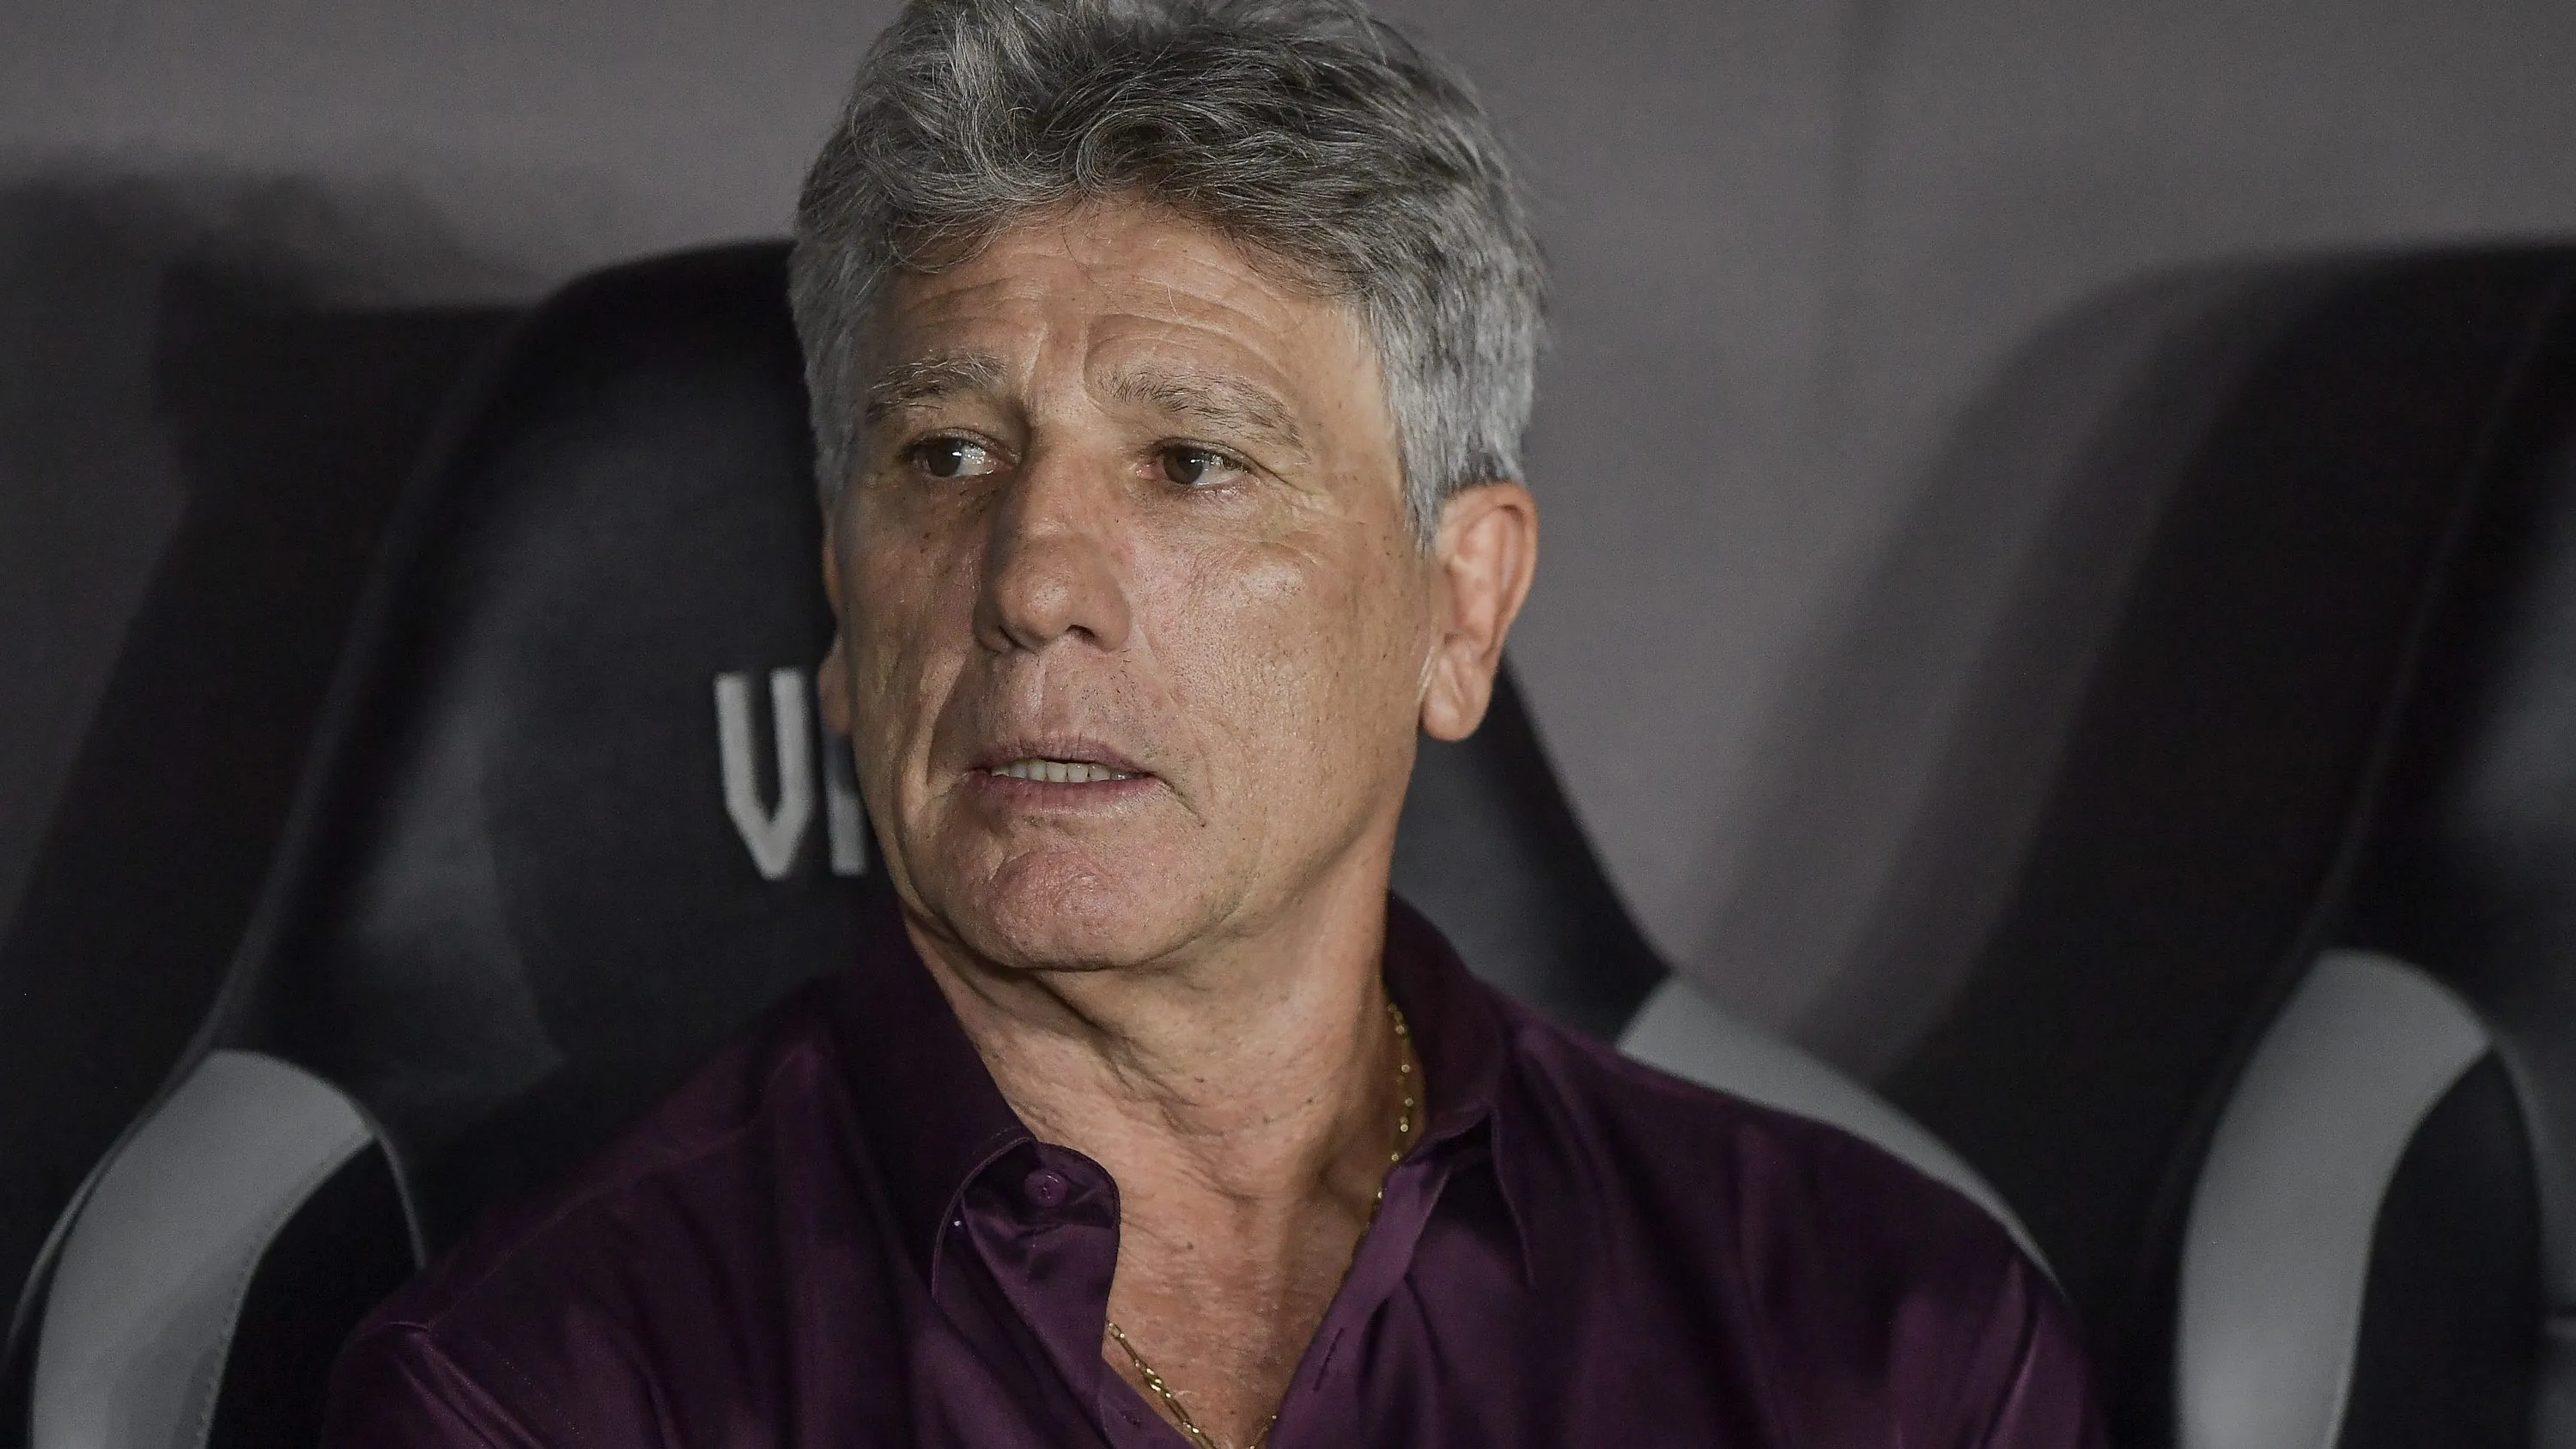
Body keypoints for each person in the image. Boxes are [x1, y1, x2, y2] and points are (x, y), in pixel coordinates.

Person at [323, 0, 2105, 1443]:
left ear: (1458, 605)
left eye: (1193, 465)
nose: (1030, 582)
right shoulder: (540, 1395)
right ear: (845, 613)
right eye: (947, 456)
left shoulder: (1889, 1348)